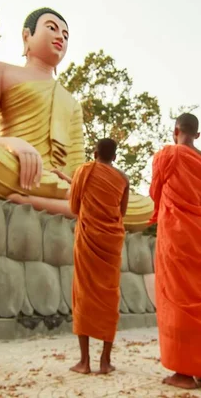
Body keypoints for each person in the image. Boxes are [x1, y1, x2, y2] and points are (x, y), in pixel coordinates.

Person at [0, 7, 152, 231]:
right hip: (15, 169)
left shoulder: (71, 103)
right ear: (27, 36)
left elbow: (75, 171)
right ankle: (74, 207)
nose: (60, 38)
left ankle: (44, 202)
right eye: (52, 28)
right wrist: (12, 144)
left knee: (148, 207)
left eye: (65, 36)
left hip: (57, 184)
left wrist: (75, 183)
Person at [149, 113, 201, 389]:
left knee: (177, 297)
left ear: (175, 130)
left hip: (176, 237)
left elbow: (156, 192)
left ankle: (183, 373)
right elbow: (200, 195)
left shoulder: (166, 155)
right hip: (200, 236)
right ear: (198, 135)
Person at [67, 138, 129, 375]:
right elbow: (121, 213)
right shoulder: (123, 179)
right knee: (109, 296)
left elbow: (74, 207)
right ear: (115, 156)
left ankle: (84, 362)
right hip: (111, 243)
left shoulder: (83, 171)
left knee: (83, 294)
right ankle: (105, 361)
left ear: (94, 153)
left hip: (87, 239)